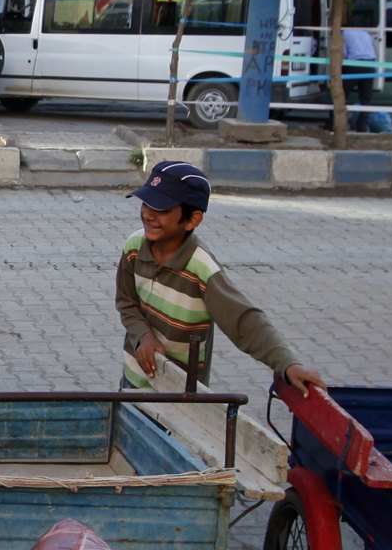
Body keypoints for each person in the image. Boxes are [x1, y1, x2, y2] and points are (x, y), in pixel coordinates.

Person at [118, 159, 325, 395]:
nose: (148, 215)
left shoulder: (202, 270)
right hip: (133, 379)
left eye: (162, 209)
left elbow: (245, 321)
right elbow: (126, 302)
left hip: (180, 394)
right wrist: (143, 337)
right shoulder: (133, 247)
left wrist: (288, 364)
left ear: (192, 219)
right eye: (146, 203)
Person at [338, 22, 390, 133]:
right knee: (366, 100)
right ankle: (361, 128)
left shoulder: (344, 33)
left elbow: (344, 54)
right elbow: (372, 48)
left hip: (354, 65)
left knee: (340, 96)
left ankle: (336, 124)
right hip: (370, 65)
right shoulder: (365, 33)